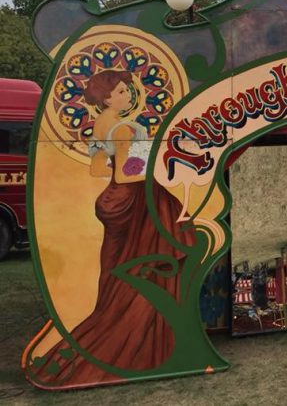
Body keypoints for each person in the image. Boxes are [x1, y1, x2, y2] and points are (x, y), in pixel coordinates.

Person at [30, 70, 194, 388]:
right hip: (136, 200)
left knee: (121, 269)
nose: (128, 94)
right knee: (149, 265)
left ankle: (128, 327)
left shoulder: (100, 125)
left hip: (115, 199)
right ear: (105, 98)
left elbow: (97, 169)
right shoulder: (124, 129)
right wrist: (157, 166)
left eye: (127, 89)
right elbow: (126, 174)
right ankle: (139, 341)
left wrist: (128, 164)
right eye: (120, 91)